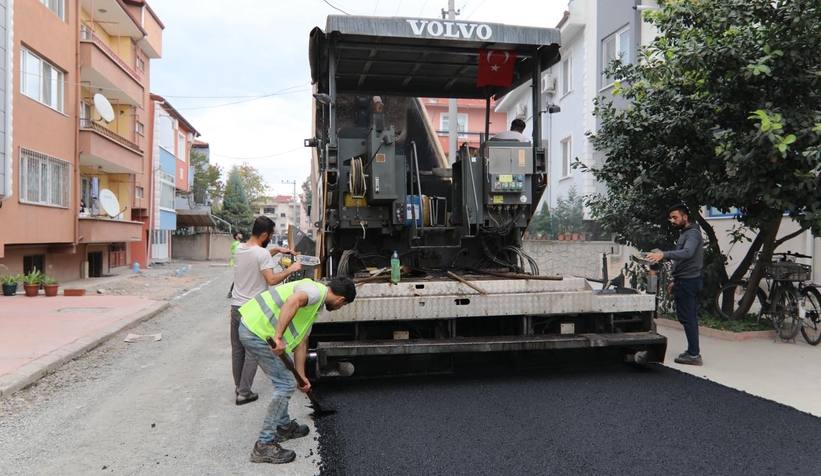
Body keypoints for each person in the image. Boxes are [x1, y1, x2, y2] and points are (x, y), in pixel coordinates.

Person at [238, 276, 356, 464]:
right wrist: (278, 337)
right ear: (341, 299)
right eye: (343, 305)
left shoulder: (314, 305)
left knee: (285, 380)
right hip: (257, 332)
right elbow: (292, 301)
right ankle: (264, 445)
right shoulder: (315, 292)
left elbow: (301, 342)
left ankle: (284, 426)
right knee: (285, 384)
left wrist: (301, 376)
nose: (340, 307)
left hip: (255, 328)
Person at [230, 216, 302, 405]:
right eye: (270, 235)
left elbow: (257, 257)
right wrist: (291, 269)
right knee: (252, 352)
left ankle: (239, 387)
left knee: (237, 349)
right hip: (252, 309)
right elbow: (272, 279)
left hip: (236, 306)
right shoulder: (261, 254)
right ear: (264, 234)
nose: (271, 238)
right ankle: (244, 393)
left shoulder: (240, 249)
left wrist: (277, 250)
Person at [647, 203, 704, 366]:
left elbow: (687, 253)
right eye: (670, 218)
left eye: (675, 217)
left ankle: (694, 355)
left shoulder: (693, 234)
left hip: (688, 282)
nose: (672, 220)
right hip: (683, 280)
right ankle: (692, 351)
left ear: (685, 217)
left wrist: (662, 255)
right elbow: (682, 260)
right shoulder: (685, 233)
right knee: (687, 317)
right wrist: (675, 280)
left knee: (688, 317)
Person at [226, 231, 244, 299]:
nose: (241, 235)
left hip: (236, 262)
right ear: (236, 237)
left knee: (240, 278)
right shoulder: (237, 244)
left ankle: (232, 292)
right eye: (239, 234)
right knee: (239, 278)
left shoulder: (238, 244)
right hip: (237, 262)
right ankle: (231, 292)